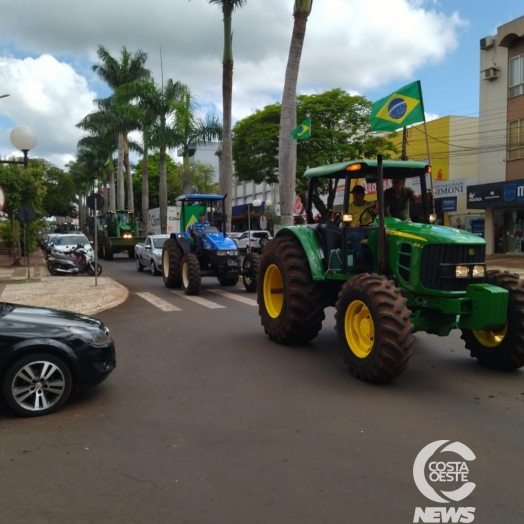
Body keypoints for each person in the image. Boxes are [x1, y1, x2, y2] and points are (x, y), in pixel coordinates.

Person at [347, 185, 376, 264]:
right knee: (354, 236)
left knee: (379, 235)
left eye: (358, 194)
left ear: (363, 195)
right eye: (354, 194)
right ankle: (360, 261)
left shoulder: (369, 205)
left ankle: (376, 260)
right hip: (355, 230)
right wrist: (353, 226)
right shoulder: (348, 208)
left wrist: (378, 205)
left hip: (368, 229)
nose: (355, 196)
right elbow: (343, 225)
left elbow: (376, 212)